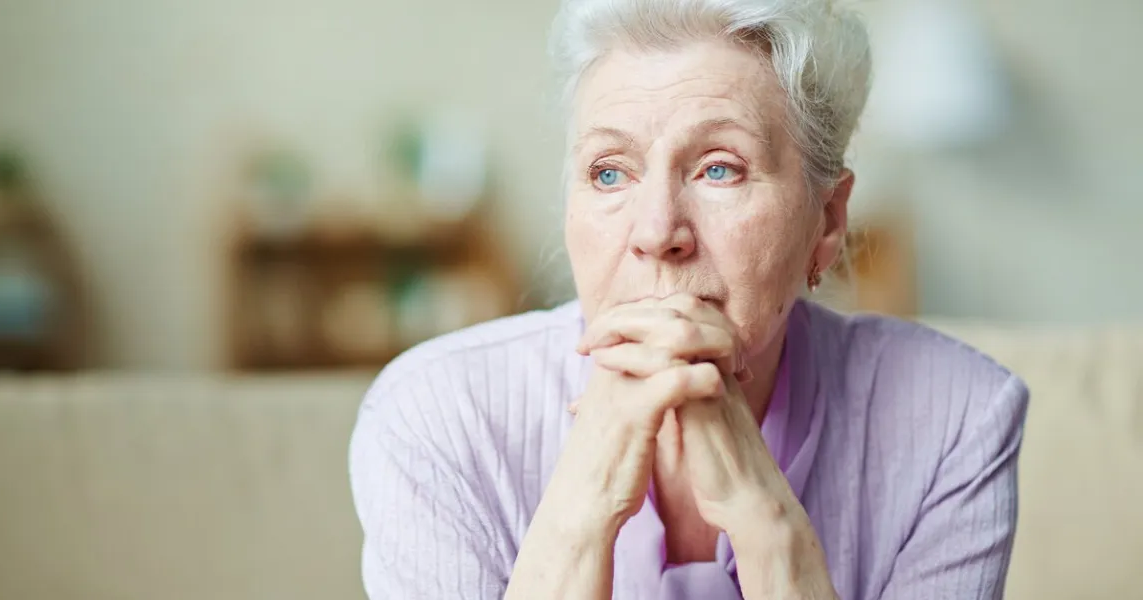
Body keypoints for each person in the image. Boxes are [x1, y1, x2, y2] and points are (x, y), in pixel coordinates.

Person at [349, 0, 1029, 597]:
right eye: (609, 172)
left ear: (826, 223)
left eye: (719, 169)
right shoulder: (433, 420)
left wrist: (766, 521)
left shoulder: (956, 420)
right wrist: (584, 503)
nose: (656, 232)